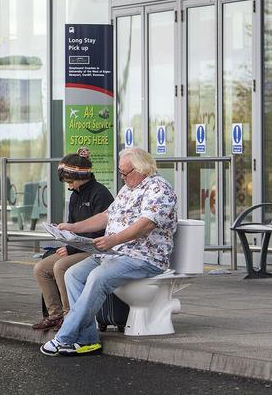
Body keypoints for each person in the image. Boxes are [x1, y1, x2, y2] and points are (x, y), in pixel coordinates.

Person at [41, 147, 177, 357]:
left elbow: (145, 225)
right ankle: (87, 340)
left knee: (97, 277)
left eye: (125, 173)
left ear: (141, 169)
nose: (122, 178)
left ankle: (64, 338)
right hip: (114, 253)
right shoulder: (128, 188)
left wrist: (112, 239)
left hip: (142, 257)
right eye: (120, 173)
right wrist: (72, 227)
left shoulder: (159, 189)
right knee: (73, 275)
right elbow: (106, 216)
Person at [32, 150, 113, 330]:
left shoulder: (100, 194)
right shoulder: (75, 194)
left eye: (70, 181)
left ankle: (70, 315)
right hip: (77, 247)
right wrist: (61, 234)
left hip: (96, 249)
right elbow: (73, 225)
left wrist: (71, 249)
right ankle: (55, 314)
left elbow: (101, 232)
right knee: (41, 268)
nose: (69, 186)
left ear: (82, 177)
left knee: (60, 266)